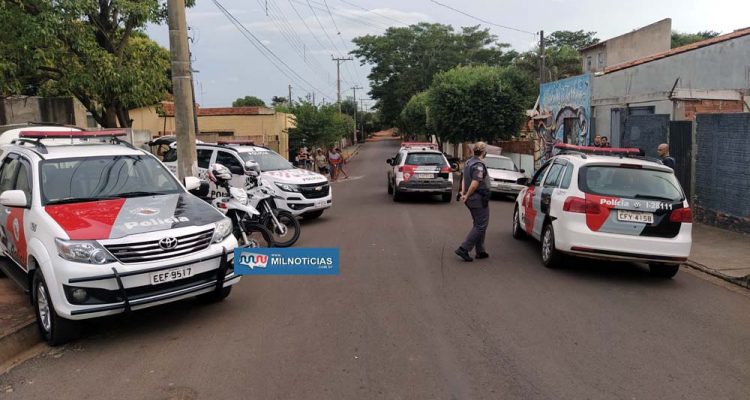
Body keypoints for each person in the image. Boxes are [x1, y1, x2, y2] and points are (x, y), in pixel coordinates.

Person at [455, 142, 491, 262]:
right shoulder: (478, 165)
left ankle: (480, 251)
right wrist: (467, 195)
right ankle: (464, 249)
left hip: (472, 198)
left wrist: (463, 193)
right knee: (481, 225)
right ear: (484, 152)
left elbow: (464, 178)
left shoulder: (469, 162)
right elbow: (475, 183)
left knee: (479, 224)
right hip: (477, 198)